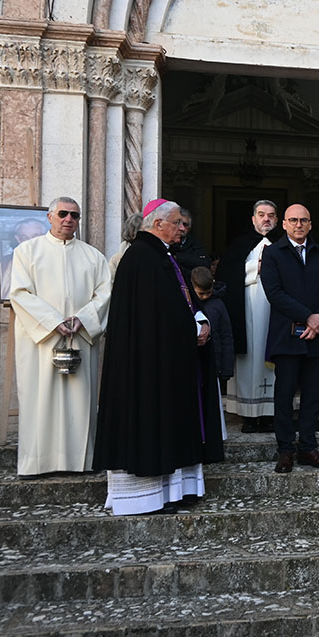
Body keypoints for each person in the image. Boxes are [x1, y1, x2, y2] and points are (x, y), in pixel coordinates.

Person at [93, 199, 224, 515]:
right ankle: (147, 497)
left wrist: (201, 321)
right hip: (149, 366)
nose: (182, 229)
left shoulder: (163, 257)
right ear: (158, 224)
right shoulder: (142, 259)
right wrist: (189, 330)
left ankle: (177, 490)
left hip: (171, 361)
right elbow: (153, 319)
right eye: (177, 223)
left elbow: (182, 304)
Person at [9, 197, 111, 477]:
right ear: (50, 217)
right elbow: (19, 293)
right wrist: (53, 321)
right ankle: (38, 462)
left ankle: (81, 460)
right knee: (41, 398)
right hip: (41, 341)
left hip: (79, 337)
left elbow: (105, 295)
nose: (69, 220)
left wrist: (83, 319)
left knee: (80, 401)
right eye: (63, 214)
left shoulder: (93, 256)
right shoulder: (27, 252)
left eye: (75, 216)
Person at [261, 203, 319, 473]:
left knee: (313, 396)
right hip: (287, 335)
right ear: (283, 224)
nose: (298, 225)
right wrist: (309, 316)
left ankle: (307, 446)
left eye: (303, 220)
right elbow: (274, 293)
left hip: (317, 336)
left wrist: (318, 320)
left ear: (310, 224)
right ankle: (285, 449)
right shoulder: (272, 254)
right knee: (284, 396)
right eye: (293, 220)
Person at [220, 200, 280, 432]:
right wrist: (257, 266)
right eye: (262, 214)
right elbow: (228, 274)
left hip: (276, 314)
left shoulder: (282, 244)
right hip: (247, 312)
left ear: (277, 220)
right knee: (249, 361)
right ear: (253, 218)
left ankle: (270, 414)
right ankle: (249, 415)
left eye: (271, 215)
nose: (266, 219)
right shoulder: (239, 245)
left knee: (273, 359)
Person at [190, 266, 234, 394]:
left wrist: (226, 368)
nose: (204, 297)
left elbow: (226, 335)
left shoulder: (218, 305)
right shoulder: (188, 304)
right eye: (201, 294)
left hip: (214, 362)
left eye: (208, 293)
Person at [0, 216, 48, 300]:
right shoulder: (5, 263)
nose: (30, 242)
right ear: (18, 239)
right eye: (25, 237)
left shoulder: (55, 260)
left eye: (35, 236)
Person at [171, 207, 211, 277]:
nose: (181, 228)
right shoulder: (167, 242)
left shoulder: (196, 244)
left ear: (189, 227)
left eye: (185, 224)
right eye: (177, 223)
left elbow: (205, 264)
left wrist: (177, 258)